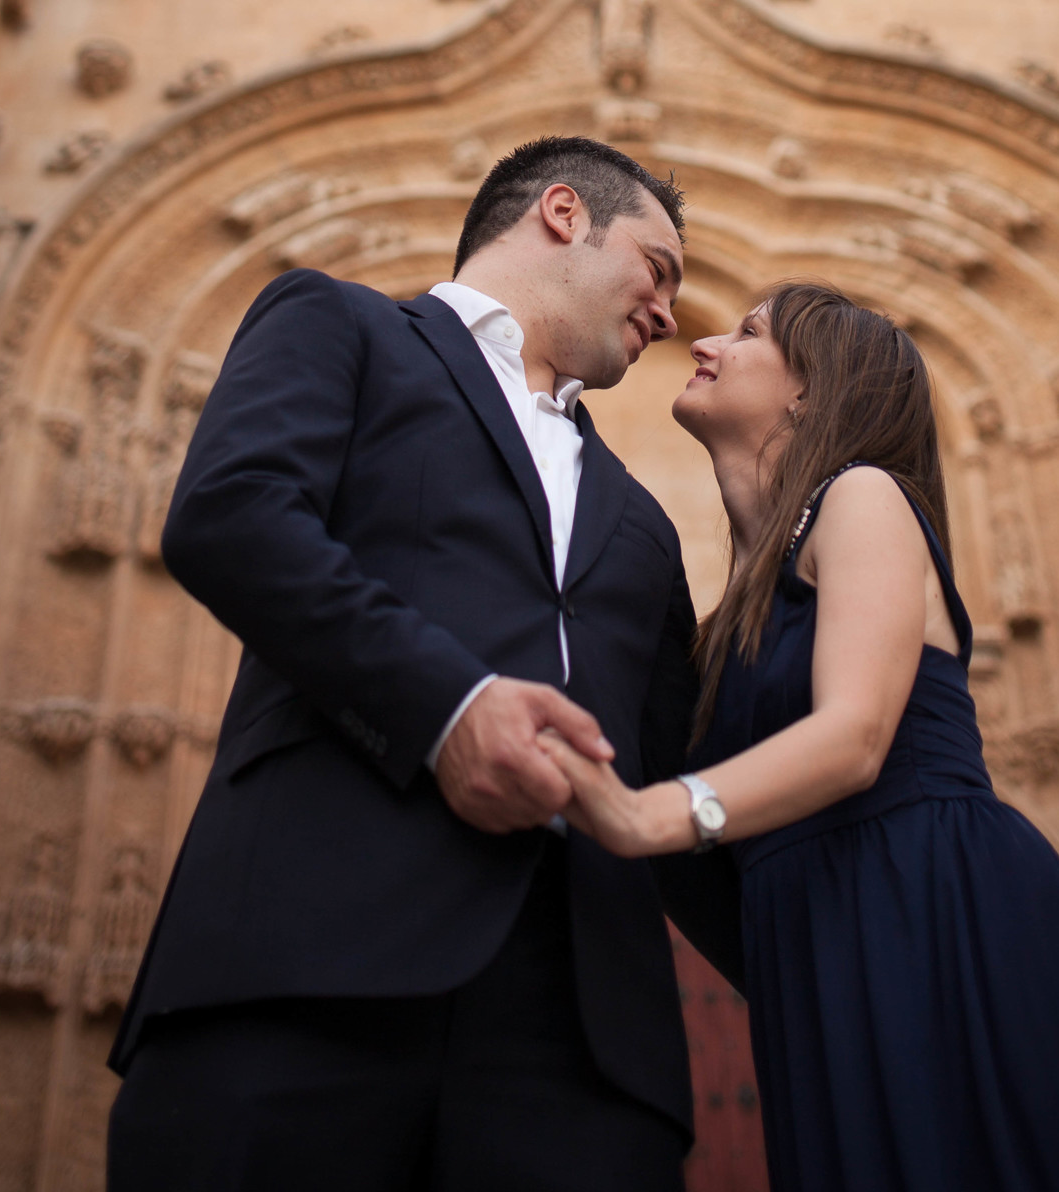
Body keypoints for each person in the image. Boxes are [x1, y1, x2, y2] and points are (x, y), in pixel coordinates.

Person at [107, 135, 740, 1192]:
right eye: (658, 267)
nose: (671, 313)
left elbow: (672, 774)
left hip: (583, 1044)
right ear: (563, 213)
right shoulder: (343, 324)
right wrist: (450, 708)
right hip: (305, 965)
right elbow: (232, 516)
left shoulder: (641, 522)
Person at [544, 281, 1059, 1192]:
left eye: (746, 333)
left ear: (810, 390)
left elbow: (854, 736)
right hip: (821, 949)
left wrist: (649, 815)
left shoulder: (860, 495)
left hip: (928, 907)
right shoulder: (733, 611)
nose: (704, 343)